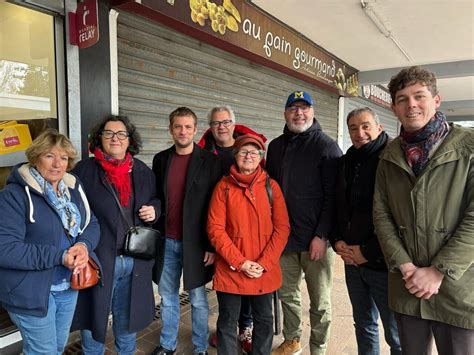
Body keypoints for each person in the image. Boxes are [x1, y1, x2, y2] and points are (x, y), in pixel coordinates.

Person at [373, 66, 474, 355]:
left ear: (436, 100)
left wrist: (438, 271)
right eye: (402, 99)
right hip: (408, 287)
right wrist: (406, 267)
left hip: (457, 288)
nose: (411, 105)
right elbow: (382, 216)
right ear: (394, 108)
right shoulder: (389, 155)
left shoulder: (469, 147)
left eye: (419, 96)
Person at [0, 129, 100, 354]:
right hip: (31, 290)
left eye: (63, 158)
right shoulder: (13, 196)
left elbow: (91, 223)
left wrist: (83, 246)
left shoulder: (73, 190)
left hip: (67, 286)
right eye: (49, 156)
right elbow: (5, 249)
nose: (57, 164)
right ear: (35, 157)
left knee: (54, 348)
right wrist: (60, 256)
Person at [70, 115, 161, 354]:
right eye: (108, 133)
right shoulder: (84, 171)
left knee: (127, 321)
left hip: (134, 259)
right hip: (99, 259)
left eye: (121, 133)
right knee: (93, 319)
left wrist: (155, 209)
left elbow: (156, 199)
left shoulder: (142, 171)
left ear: (129, 139)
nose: (115, 138)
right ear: (99, 138)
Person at [266, 91, 342, 355]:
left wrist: (322, 235)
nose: (299, 113)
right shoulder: (275, 146)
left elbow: (334, 196)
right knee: (287, 295)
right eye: (293, 108)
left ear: (312, 112)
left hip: (315, 241)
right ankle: (292, 339)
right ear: (285, 113)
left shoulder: (327, 146)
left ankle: (318, 348)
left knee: (320, 302)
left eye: (304, 108)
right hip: (284, 239)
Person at [207, 134, 290, 355]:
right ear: (235, 156)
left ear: (261, 157)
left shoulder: (272, 188)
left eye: (254, 152)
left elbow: (282, 229)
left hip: (264, 268)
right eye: (243, 151)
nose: (248, 156)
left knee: (264, 319)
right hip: (231, 267)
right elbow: (215, 229)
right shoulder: (223, 188)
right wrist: (241, 262)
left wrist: (263, 263)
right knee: (227, 320)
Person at [151, 107, 222, 355]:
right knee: (168, 296)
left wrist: (212, 246)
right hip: (167, 241)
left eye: (188, 127)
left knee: (199, 299)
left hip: (197, 244)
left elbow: (217, 208)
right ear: (171, 129)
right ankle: (167, 344)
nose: (183, 131)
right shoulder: (160, 160)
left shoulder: (210, 161)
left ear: (195, 129)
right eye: (178, 126)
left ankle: (200, 347)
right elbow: (156, 197)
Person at [330, 107, 401, 354]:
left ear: (379, 127)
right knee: (363, 323)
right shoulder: (346, 162)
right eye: (353, 127)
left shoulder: (393, 158)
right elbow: (337, 205)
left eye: (366, 126)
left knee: (396, 333)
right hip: (351, 261)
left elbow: (398, 216)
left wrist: (368, 252)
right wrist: (336, 240)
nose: (359, 133)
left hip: (383, 264)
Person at [198, 105, 267, 352]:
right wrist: (210, 243)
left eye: (226, 122)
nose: (221, 127)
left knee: (249, 282)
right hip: (219, 230)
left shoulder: (247, 149)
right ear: (211, 126)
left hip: (246, 230)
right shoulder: (204, 152)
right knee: (228, 285)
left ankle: (245, 327)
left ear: (233, 124)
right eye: (216, 123)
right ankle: (228, 329)